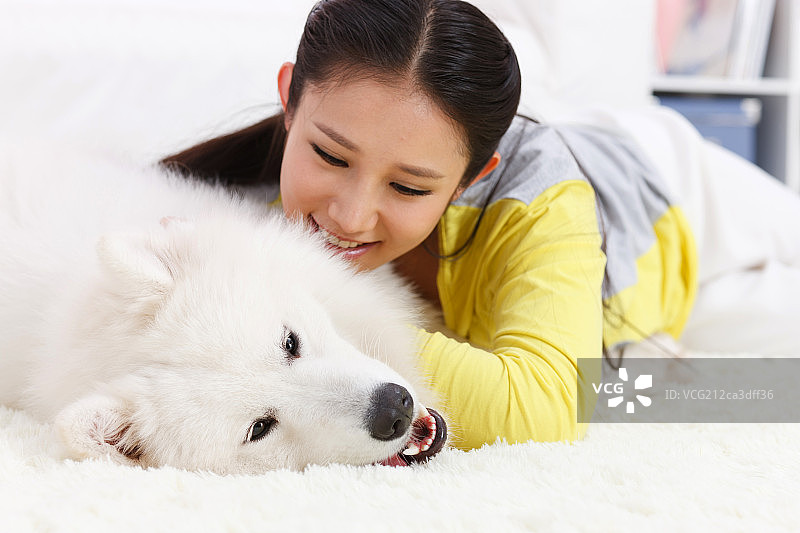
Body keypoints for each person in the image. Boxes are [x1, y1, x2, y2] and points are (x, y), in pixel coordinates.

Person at [161, 0, 800, 450]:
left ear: (472, 176)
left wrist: (337, 320)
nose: (348, 215)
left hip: (676, 196)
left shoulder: (541, 198)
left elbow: (544, 412)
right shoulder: (251, 223)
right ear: (289, 100)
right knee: (767, 384)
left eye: (408, 186)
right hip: (635, 304)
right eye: (329, 155)